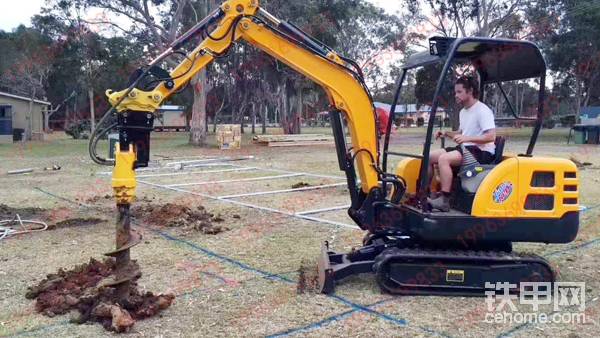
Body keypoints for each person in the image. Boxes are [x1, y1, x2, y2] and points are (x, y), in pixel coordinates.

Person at [427, 76, 496, 212]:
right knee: (429, 157)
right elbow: (461, 132)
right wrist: (446, 133)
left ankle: (444, 201)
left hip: (482, 152)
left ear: (470, 91)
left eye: (459, 92)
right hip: (467, 148)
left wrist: (466, 138)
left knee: (444, 159)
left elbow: (491, 136)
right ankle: (428, 192)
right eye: (455, 92)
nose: (456, 95)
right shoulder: (463, 111)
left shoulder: (482, 110)